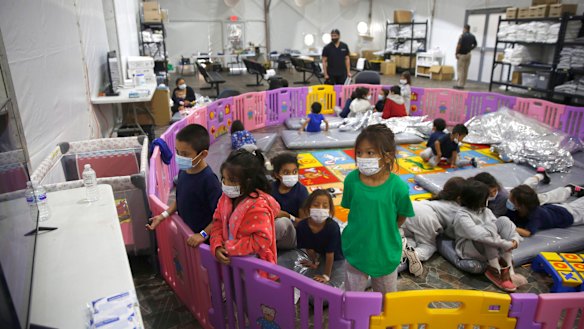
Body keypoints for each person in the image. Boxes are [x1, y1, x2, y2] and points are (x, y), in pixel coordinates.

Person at [341, 124, 415, 293]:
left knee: (386, 301)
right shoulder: (351, 180)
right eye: (359, 153)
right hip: (356, 249)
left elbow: (401, 217)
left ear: (388, 157)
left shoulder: (398, 188)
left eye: (370, 153)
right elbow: (350, 206)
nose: (362, 157)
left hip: (385, 251)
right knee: (352, 298)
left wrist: (385, 228)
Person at [147, 124, 222, 249]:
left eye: (185, 154)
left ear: (203, 154)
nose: (180, 157)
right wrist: (163, 216)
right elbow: (181, 199)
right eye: (177, 152)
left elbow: (220, 215)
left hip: (204, 244)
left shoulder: (209, 180)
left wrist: (203, 234)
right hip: (188, 236)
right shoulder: (184, 171)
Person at [210, 148, 281, 277]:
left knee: (252, 295)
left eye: (231, 180)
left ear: (248, 182)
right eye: (224, 179)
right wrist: (217, 244)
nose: (225, 184)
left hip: (253, 267)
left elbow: (262, 240)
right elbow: (217, 222)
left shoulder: (258, 206)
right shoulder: (225, 198)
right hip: (231, 262)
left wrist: (230, 247)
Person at [453, 180, 521, 292]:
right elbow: (479, 235)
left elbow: (499, 226)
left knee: (504, 220)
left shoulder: (485, 211)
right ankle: (496, 271)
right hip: (470, 248)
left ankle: (510, 270)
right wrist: (506, 244)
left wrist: (515, 240)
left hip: (490, 245)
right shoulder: (462, 215)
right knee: (487, 232)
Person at [402, 177, 466, 262]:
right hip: (425, 217)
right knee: (428, 246)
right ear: (459, 198)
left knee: (409, 237)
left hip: (412, 206)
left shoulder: (438, 199)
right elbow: (451, 232)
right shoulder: (457, 209)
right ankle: (405, 255)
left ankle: (402, 247)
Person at [296, 189, 344, 284]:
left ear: (329, 210)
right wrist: (314, 262)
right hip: (320, 253)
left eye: (325, 206)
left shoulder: (332, 227)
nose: (320, 209)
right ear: (309, 207)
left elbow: (330, 254)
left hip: (336, 256)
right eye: (316, 205)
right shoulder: (302, 225)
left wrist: (326, 275)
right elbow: (309, 248)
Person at [507, 183, 584, 237]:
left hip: (567, 216)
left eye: (511, 200)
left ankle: (573, 189)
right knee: (574, 205)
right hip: (554, 209)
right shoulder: (515, 209)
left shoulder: (536, 215)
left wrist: (510, 228)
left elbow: (528, 233)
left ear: (521, 206)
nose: (508, 201)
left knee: (577, 209)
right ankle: (572, 189)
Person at [270, 152, 309, 249]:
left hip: (292, 236)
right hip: (269, 229)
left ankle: (262, 246)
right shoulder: (270, 188)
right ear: (277, 174)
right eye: (286, 173)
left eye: (295, 172)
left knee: (282, 223)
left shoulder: (301, 192)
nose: (291, 175)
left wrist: (288, 216)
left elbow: (305, 224)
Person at [454, 24, 477, 90]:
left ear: (464, 29)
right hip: (468, 55)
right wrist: (470, 48)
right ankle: (463, 84)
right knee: (465, 70)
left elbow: (459, 45)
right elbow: (475, 44)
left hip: (462, 55)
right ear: (469, 29)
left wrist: (456, 53)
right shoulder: (472, 36)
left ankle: (459, 85)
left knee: (460, 70)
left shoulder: (462, 36)